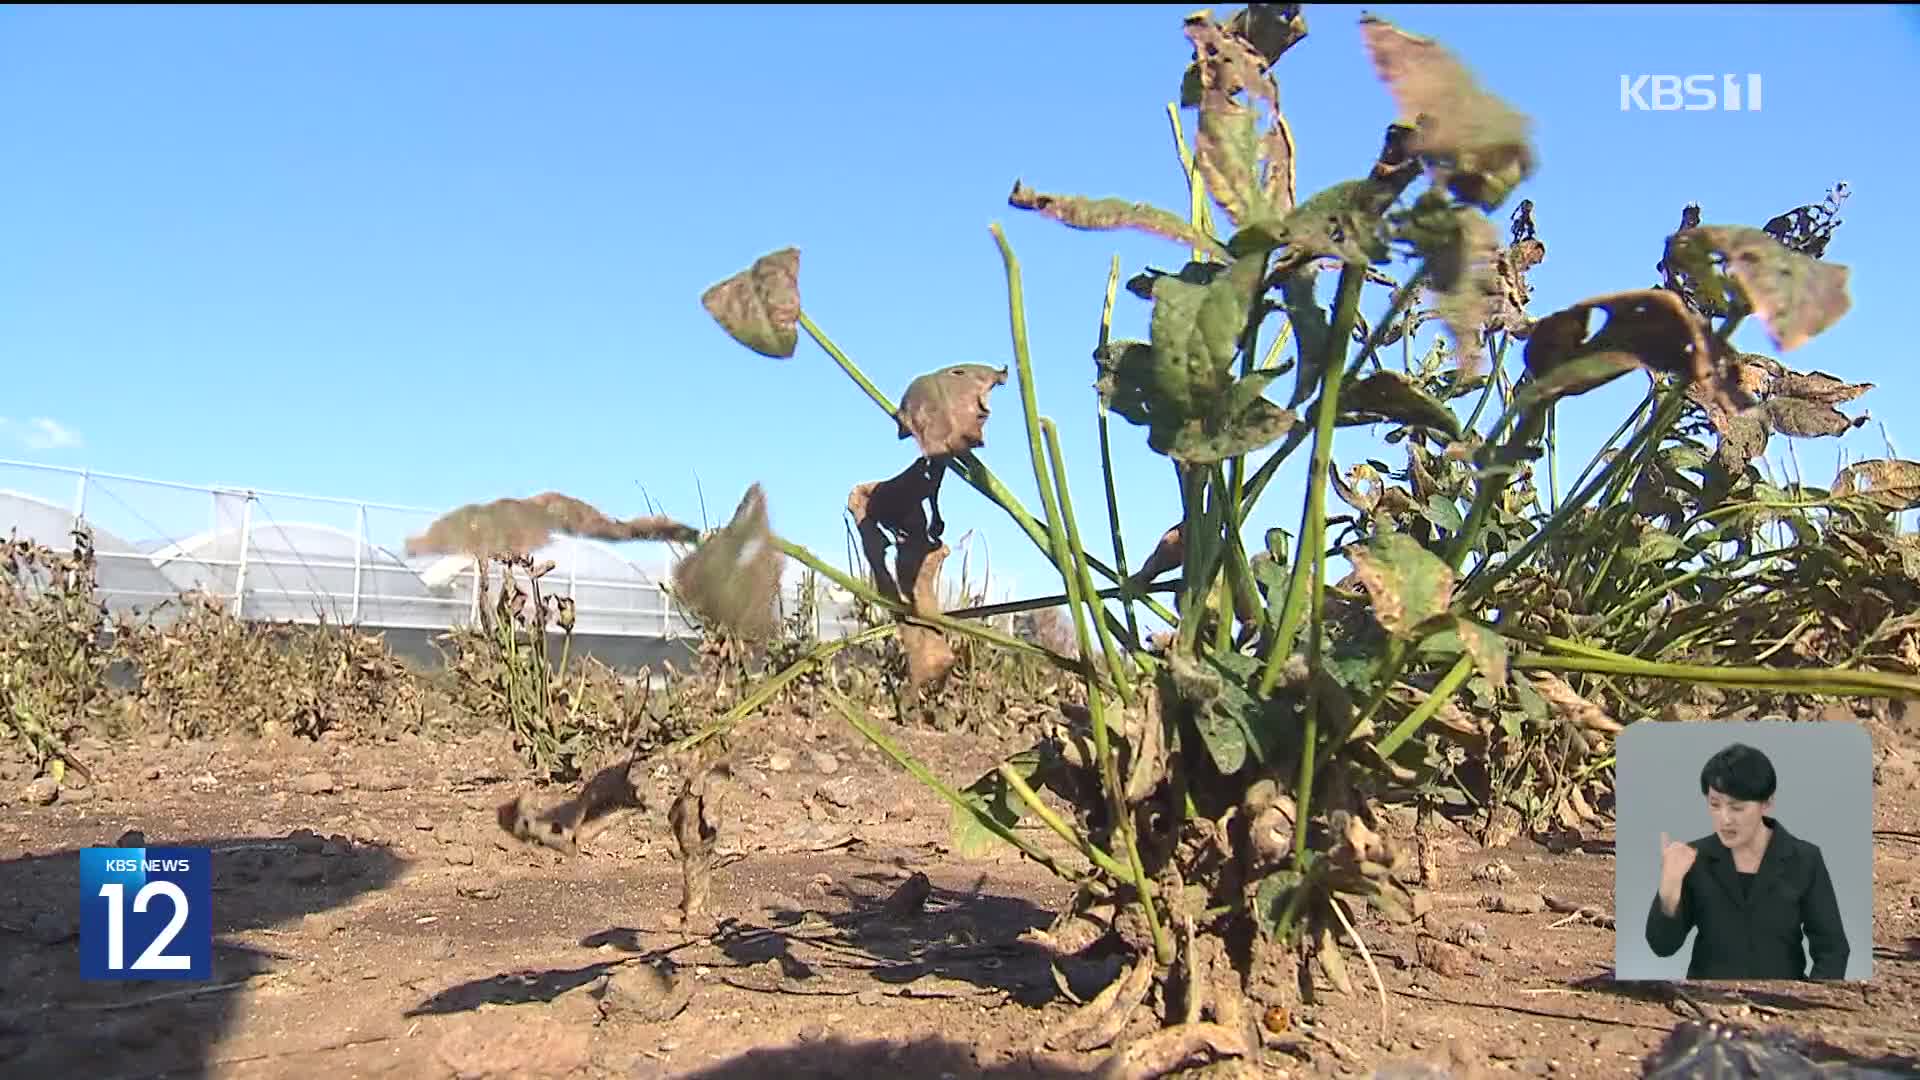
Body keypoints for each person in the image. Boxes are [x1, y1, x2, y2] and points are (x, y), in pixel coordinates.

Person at [1644, 741, 1850, 980]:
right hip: (1708, 998)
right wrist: (1669, 887)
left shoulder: (1804, 859)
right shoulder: (1693, 858)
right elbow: (1663, 946)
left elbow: (1833, 949)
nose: (1725, 818)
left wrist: (1809, 1003)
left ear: (1767, 803)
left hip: (1782, 1000)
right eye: (1715, 805)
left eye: (1737, 807)